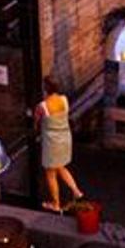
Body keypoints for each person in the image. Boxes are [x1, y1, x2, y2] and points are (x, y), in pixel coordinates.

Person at [35, 76, 82, 212]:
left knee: (50, 172)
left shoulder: (42, 106)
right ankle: (76, 191)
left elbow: (36, 122)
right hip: (65, 137)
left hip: (51, 142)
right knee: (61, 166)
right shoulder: (64, 100)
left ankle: (55, 204)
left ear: (45, 89)